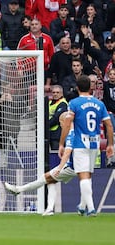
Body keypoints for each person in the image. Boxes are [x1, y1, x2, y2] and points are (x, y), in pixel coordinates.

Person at [58, 75, 114, 217]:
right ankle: (82, 206)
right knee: (88, 175)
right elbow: (109, 125)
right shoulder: (99, 104)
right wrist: (110, 144)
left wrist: (61, 143)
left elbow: (67, 123)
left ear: (77, 88)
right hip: (94, 144)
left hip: (80, 144)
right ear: (90, 87)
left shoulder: (74, 103)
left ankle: (92, 208)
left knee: (83, 176)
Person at [5, 112, 77, 216]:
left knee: (46, 177)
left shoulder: (71, 134)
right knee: (50, 181)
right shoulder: (78, 132)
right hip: (78, 164)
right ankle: (49, 209)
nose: (60, 125)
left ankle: (19, 189)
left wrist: (60, 167)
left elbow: (67, 153)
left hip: (72, 166)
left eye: (61, 123)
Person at [49, 85, 68, 150]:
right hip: (49, 133)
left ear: (61, 93)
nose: (55, 94)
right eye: (53, 92)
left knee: (56, 154)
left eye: (57, 92)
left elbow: (56, 118)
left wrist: (45, 125)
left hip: (57, 134)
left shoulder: (63, 104)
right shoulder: (49, 102)